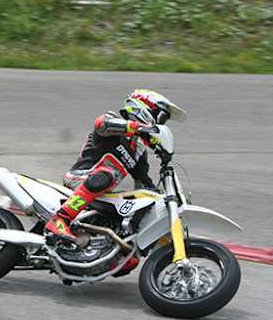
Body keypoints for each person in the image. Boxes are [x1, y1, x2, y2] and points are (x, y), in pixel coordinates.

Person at [44, 90, 187, 248]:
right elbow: (101, 124)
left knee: (146, 200)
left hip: (101, 193)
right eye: (161, 117)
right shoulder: (113, 122)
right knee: (107, 175)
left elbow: (144, 185)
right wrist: (141, 128)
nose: (160, 123)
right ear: (144, 108)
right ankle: (60, 219)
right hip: (81, 178)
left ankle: (123, 249)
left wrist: (161, 200)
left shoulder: (139, 150)